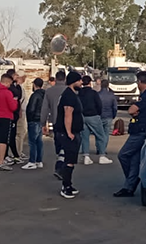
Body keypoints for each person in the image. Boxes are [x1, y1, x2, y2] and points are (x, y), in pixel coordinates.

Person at [114, 70, 146, 197]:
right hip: (142, 130)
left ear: (139, 82)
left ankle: (132, 180)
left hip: (140, 132)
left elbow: (131, 110)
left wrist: (135, 109)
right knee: (134, 160)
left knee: (123, 155)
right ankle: (129, 187)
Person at [51, 70, 84, 198]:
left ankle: (69, 184)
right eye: (79, 80)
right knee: (69, 160)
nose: (81, 82)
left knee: (71, 160)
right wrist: (69, 132)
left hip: (73, 132)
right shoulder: (69, 96)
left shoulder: (72, 94)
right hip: (68, 133)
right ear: (74, 81)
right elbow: (67, 114)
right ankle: (66, 187)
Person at [78, 75, 111, 165]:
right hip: (93, 116)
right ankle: (102, 156)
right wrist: (98, 113)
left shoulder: (79, 93)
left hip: (82, 116)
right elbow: (99, 105)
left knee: (85, 137)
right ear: (90, 83)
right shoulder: (93, 93)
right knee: (101, 136)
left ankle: (86, 156)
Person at [43, 72, 67, 174]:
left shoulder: (49, 91)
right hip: (67, 121)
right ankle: (61, 162)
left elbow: (45, 108)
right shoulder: (69, 90)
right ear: (65, 78)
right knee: (66, 144)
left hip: (55, 121)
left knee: (58, 141)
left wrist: (43, 123)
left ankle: (59, 157)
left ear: (56, 79)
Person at [23, 77, 46, 170]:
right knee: (39, 141)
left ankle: (32, 161)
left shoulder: (35, 95)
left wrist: (29, 118)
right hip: (41, 119)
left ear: (34, 85)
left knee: (32, 142)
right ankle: (39, 160)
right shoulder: (44, 94)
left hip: (34, 119)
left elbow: (31, 108)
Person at [98, 79, 118, 157]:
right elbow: (115, 107)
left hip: (99, 116)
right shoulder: (111, 95)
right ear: (108, 85)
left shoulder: (97, 94)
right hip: (109, 116)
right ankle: (103, 149)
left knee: (99, 134)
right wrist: (114, 115)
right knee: (106, 134)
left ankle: (99, 148)